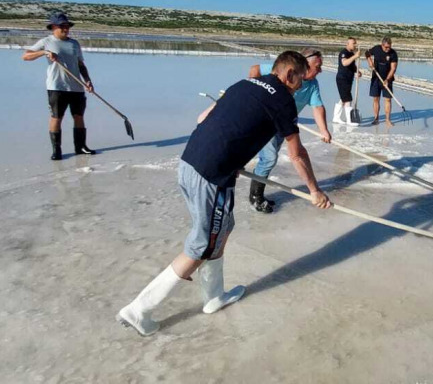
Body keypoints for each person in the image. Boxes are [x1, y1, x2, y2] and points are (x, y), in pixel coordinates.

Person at [116, 51, 331, 337]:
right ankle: (139, 310)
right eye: (300, 81)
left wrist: (225, 149)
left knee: (223, 227)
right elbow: (297, 154)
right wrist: (315, 191)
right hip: (212, 176)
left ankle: (214, 296)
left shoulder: (244, 84)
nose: (300, 87)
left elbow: (203, 117)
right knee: (201, 246)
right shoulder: (283, 100)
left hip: (190, 161)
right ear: (289, 74)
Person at [247, 48, 331, 213]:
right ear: (304, 64)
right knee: (269, 158)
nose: (320, 70)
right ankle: (255, 197)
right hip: (267, 119)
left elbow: (318, 107)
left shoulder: (313, 84)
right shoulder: (284, 69)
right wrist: (252, 91)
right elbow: (255, 69)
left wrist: (324, 130)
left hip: (285, 123)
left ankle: (256, 190)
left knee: (271, 157)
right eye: (318, 66)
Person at [22, 12, 96, 160]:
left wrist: (88, 80)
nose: (66, 29)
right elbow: (26, 56)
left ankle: (80, 147)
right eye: (62, 26)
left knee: (79, 116)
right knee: (57, 117)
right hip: (57, 86)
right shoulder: (46, 42)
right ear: (54, 27)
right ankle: (57, 150)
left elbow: (81, 64)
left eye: (67, 26)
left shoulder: (74, 44)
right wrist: (44, 52)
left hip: (76, 87)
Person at [365, 36, 398, 127]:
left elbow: (393, 68)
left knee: (387, 99)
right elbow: (367, 53)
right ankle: (376, 118)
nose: (388, 49)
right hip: (376, 78)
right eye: (386, 47)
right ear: (382, 45)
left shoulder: (393, 54)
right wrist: (370, 62)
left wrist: (387, 80)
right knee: (376, 98)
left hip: (388, 79)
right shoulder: (376, 49)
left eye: (389, 47)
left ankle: (388, 120)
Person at [333, 37, 363, 126]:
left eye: (355, 43)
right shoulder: (343, 52)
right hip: (342, 78)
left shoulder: (351, 53)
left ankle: (336, 117)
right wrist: (355, 56)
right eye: (353, 43)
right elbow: (344, 63)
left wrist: (358, 72)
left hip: (349, 79)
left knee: (344, 98)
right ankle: (350, 120)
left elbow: (352, 66)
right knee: (348, 99)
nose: (355, 45)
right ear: (348, 44)